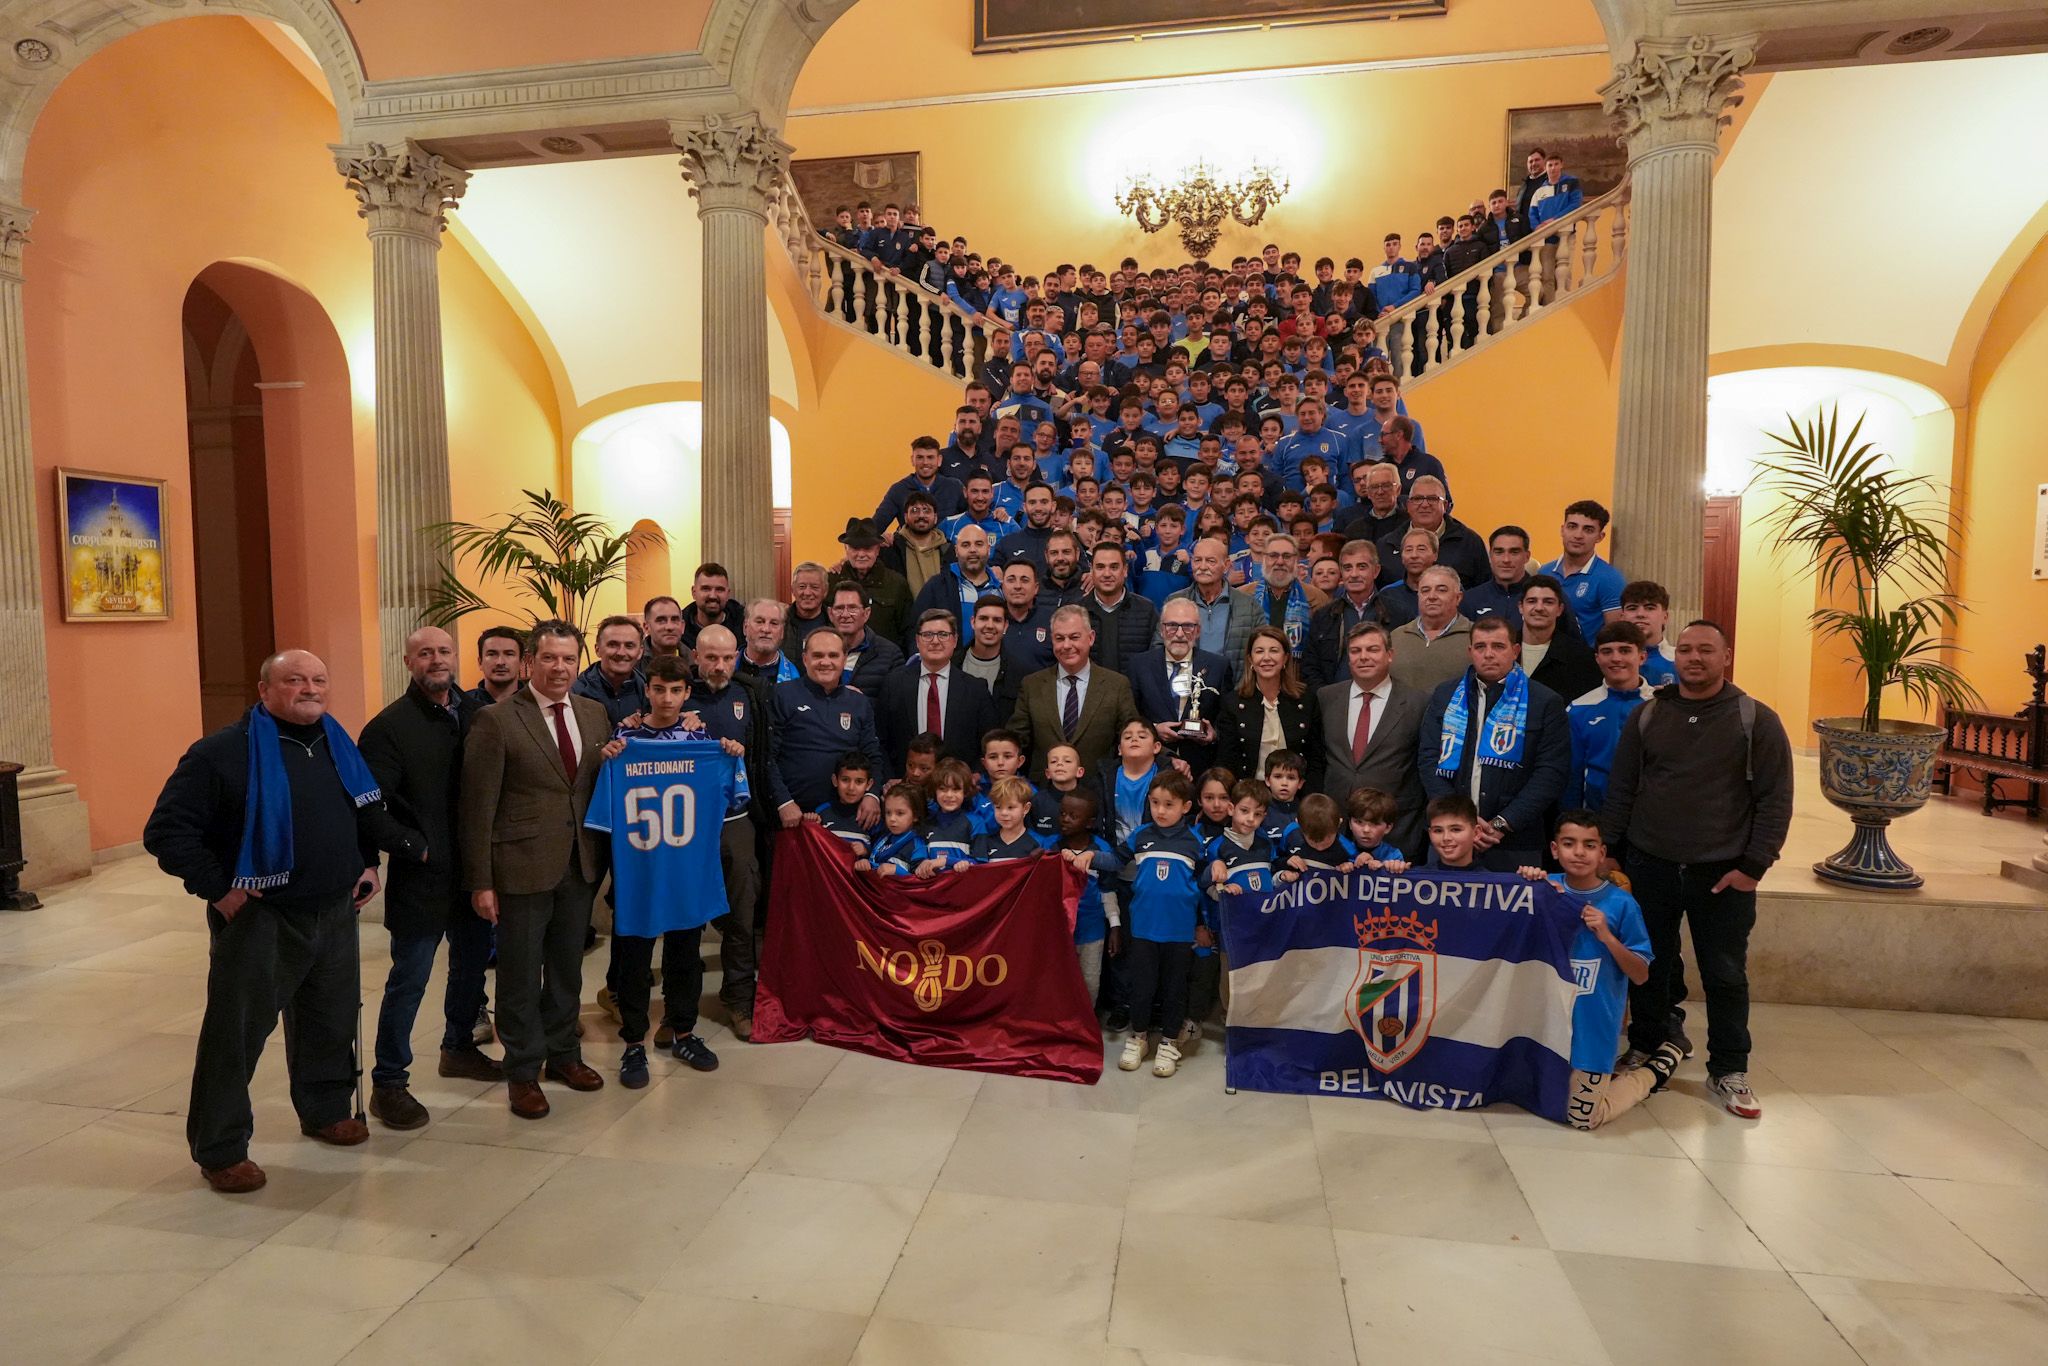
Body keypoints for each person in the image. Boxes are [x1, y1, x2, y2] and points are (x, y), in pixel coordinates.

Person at [145, 649, 424, 1193]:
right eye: (294, 680)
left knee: (330, 1020)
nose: (309, 689)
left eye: (318, 679)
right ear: (264, 689)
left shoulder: (338, 745)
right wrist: (220, 889)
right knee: (237, 1034)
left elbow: (363, 814)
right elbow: (167, 831)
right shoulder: (223, 753)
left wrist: (365, 863)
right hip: (261, 917)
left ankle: (324, 1110)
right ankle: (220, 1148)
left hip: (335, 911)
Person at [1602, 621, 1794, 1120]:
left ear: (1725, 656)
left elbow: (1775, 800)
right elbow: (1622, 789)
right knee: (1650, 967)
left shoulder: (1756, 720)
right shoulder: (1648, 715)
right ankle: (1645, 1049)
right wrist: (1612, 853)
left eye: (1705, 650)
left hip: (1723, 872)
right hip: (1651, 864)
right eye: (1685, 650)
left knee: (1725, 974)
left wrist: (1753, 867)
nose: (1694, 658)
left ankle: (1729, 1068)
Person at [459, 621, 612, 1120]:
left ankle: (564, 1054)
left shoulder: (594, 714)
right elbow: (477, 808)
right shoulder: (497, 720)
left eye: (569, 659)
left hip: (579, 862)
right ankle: (522, 1071)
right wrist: (481, 880)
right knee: (521, 973)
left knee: (568, 966)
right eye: (549, 658)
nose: (560, 668)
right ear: (531, 662)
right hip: (520, 866)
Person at [356, 628, 501, 1132]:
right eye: (425, 653)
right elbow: (369, 806)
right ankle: (389, 1082)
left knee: (469, 970)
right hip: (422, 876)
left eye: (443, 651)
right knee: (409, 980)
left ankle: (458, 1048)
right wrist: (413, 846)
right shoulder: (387, 728)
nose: (436, 660)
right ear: (408, 662)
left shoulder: (477, 714)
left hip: (475, 874)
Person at [588, 654, 748, 1083]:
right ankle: (634, 1043)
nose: (666, 698)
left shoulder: (704, 740)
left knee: (684, 956)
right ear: (648, 690)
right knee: (635, 960)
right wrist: (608, 758)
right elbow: (603, 807)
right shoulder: (624, 739)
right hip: (638, 872)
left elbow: (734, 794)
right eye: (658, 689)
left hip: (685, 872)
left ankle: (683, 1030)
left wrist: (731, 753)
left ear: (687, 694)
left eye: (675, 690)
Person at [1516, 812, 1682, 1128]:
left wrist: (1607, 936)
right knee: (1533, 1101)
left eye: (1589, 845)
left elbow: (1641, 974)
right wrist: (1525, 882)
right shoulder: (1542, 890)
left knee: (1582, 1118)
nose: (1579, 852)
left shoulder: (1621, 905)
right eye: (1569, 843)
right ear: (1554, 849)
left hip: (1592, 1036)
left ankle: (1653, 1071)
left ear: (1602, 853)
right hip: (1544, 1032)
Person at [681, 625, 791, 1041]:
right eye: (711, 657)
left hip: (736, 819)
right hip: (688, 827)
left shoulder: (749, 694)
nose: (720, 666)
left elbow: (764, 756)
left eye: (727, 657)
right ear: (696, 656)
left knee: (744, 911)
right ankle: (681, 1007)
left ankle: (739, 998)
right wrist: (673, 726)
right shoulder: (677, 695)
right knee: (686, 919)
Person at [1418, 617, 1571, 871]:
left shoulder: (1545, 701)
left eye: (1498, 646)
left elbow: (1551, 773)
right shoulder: (1445, 695)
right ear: (1470, 652)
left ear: (1515, 650)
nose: (1488, 654)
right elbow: (1428, 759)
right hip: (1450, 838)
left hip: (1516, 840)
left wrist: (1501, 824)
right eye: (1480, 647)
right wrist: (1459, 821)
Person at [1114, 768, 1206, 1079]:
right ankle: (1138, 1037)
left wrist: (1218, 868)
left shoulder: (1196, 842)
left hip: (1180, 932)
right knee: (1141, 986)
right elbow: (1114, 862)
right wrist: (1086, 856)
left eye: (1168, 804)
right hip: (1143, 928)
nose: (1160, 811)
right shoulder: (1140, 836)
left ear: (1186, 807)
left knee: (1174, 988)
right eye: (1155, 803)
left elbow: (1205, 883)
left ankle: (1168, 1042)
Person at [1315, 621, 1428, 857]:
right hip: (1334, 831)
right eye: (1356, 651)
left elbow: (1423, 767)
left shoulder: (1418, 703)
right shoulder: (1326, 698)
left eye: (1372, 650)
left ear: (1389, 655)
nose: (1363, 657)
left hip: (1393, 833)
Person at [1009, 603, 1142, 779]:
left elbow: (1134, 737)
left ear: (1091, 638)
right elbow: (1015, 740)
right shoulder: (1032, 685)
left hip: (1097, 793)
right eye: (1059, 638)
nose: (1066, 645)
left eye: (1074, 637)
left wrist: (1169, 759)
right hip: (1045, 794)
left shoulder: (1116, 685)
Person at [771, 629, 887, 812]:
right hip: (794, 816)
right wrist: (783, 802)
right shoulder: (782, 695)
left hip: (848, 817)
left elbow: (872, 756)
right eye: (817, 655)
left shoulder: (859, 703)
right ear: (805, 659)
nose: (825, 662)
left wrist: (872, 795)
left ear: (844, 658)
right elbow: (768, 757)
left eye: (833, 655)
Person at [879, 608, 999, 770]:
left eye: (943, 634)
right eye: (928, 635)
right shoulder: (893, 684)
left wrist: (974, 776)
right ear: (917, 640)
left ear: (955, 640)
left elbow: (989, 743)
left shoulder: (975, 689)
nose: (935, 641)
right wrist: (890, 779)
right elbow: (881, 741)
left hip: (958, 788)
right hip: (906, 786)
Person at [1214, 626, 1324, 790]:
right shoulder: (1233, 703)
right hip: (1249, 798)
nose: (1266, 658)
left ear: (1286, 658)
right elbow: (1226, 761)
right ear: (1250, 659)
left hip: (1296, 798)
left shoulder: (1306, 700)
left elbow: (1316, 759)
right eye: (1259, 651)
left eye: (1274, 651)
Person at [1129, 598, 1229, 775]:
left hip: (1201, 769)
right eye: (1172, 626)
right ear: (1162, 629)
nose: (1180, 634)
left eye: (1188, 626)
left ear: (1198, 631)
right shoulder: (1139, 665)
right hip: (1153, 766)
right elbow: (1130, 716)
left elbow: (1227, 721)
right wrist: (1153, 729)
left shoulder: (1218, 666)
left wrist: (1214, 734)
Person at [1565, 620, 1656, 810]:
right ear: (1597, 658)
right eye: (1607, 651)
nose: (1616, 658)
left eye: (1625, 650)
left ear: (1642, 656)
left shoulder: (1662, 705)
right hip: (1596, 820)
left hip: (1650, 821)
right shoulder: (1578, 709)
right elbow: (1572, 776)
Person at [1303, 539, 1396, 690]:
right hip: (1335, 702)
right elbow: (1311, 666)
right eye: (1347, 568)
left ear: (1376, 571)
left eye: (1362, 567)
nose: (1354, 574)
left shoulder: (1397, 612)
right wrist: (1326, 697)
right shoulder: (1324, 616)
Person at [1538, 499, 1626, 642]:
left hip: (1587, 660)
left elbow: (1616, 635)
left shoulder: (1610, 579)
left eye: (1588, 530)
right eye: (1572, 526)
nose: (1578, 535)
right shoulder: (1544, 572)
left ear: (1600, 536)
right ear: (1562, 529)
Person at [1165, 536, 1261, 665]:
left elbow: (1260, 649)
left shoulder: (1249, 605)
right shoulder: (1174, 601)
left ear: (1226, 565)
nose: (1203, 567)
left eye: (1210, 561)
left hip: (1235, 684)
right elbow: (1159, 646)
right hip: (1186, 682)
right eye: (1197, 560)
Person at [1380, 476, 1485, 588]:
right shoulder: (1386, 545)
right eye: (1418, 499)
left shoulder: (1470, 543)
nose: (1425, 505)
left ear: (1444, 506)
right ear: (1408, 506)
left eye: (1432, 499)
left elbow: (1483, 592)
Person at [1389, 565, 1473, 697]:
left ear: (1458, 597)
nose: (1432, 597)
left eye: (1441, 590)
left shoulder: (1476, 638)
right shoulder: (1396, 637)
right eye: (1425, 590)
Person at [832, 517, 915, 647]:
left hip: (885, 662)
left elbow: (909, 629)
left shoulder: (897, 583)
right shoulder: (831, 580)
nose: (861, 554)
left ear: (877, 550)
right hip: (840, 659)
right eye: (855, 548)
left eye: (867, 548)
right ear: (846, 549)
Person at [1520, 574, 1600, 701]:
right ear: (1520, 607)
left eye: (1548, 602)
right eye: (1532, 601)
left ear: (1560, 609)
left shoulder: (1582, 657)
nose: (1539, 608)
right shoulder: (1502, 649)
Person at [1084, 540, 1159, 674]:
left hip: (1133, 693)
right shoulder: (1077, 611)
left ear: (1125, 570)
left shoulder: (1147, 610)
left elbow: (1155, 660)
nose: (1107, 574)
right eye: (1100, 567)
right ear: (1091, 570)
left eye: (1114, 567)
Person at [911, 521, 998, 635]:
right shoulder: (936, 586)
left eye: (979, 544)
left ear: (988, 549)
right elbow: (915, 630)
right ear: (956, 551)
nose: (972, 550)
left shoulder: (1001, 589)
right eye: (966, 545)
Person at [873, 434, 966, 537]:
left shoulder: (954, 487)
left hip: (947, 549)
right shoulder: (898, 490)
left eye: (930, 457)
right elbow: (876, 526)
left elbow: (970, 518)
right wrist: (881, 538)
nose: (925, 462)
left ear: (939, 460)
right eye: (920, 457)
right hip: (908, 550)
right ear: (912, 460)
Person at [826, 581, 905, 695]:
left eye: (852, 608)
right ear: (830, 613)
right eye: (839, 608)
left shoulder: (890, 655)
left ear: (866, 613)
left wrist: (862, 703)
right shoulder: (817, 651)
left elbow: (897, 704)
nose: (845, 615)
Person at [573, 614, 650, 725]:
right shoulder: (577, 693)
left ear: (640, 652)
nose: (621, 653)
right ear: (597, 649)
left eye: (629, 646)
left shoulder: (649, 692)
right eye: (613, 645)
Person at [1461, 525, 1538, 630]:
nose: (1506, 559)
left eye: (1514, 552)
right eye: (1499, 552)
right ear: (1490, 556)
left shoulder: (1546, 598)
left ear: (1527, 556)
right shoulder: (1469, 600)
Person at [880, 492, 952, 599]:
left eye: (926, 511)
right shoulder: (893, 547)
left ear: (935, 517)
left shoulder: (948, 549)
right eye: (914, 510)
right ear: (905, 517)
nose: (921, 515)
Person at [1619, 579, 1677, 686]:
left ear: (1665, 617)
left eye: (1650, 608)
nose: (1640, 614)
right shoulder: (1610, 661)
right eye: (1632, 608)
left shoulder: (1680, 660)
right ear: (1622, 616)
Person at [736, 597, 800, 688]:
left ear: (782, 632)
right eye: (759, 622)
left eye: (774, 623)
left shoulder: (794, 678)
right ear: (745, 627)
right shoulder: (725, 669)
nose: (766, 629)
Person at [679, 566, 744, 651]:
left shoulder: (744, 627)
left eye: (719, 589)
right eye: (706, 589)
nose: (712, 596)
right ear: (694, 592)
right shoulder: (679, 630)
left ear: (728, 594)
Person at [467, 625, 525, 707]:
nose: (500, 662)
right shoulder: (463, 704)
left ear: (521, 663)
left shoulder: (538, 704)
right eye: (492, 654)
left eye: (509, 654)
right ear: (480, 662)